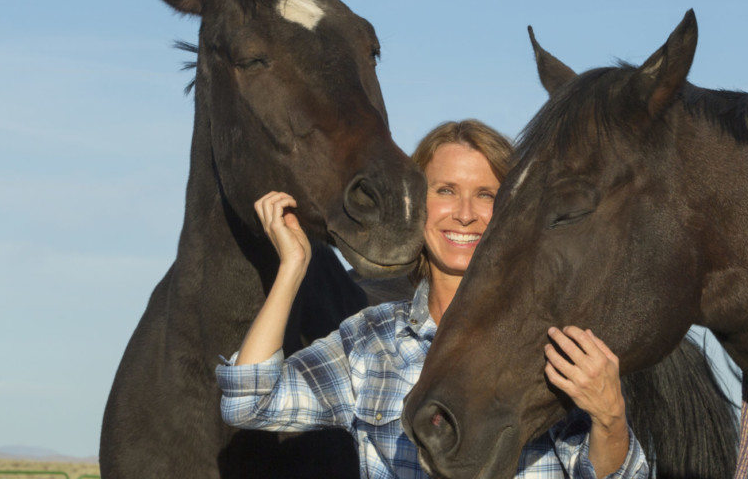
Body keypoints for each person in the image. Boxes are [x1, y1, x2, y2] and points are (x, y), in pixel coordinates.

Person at [218, 120, 649, 478]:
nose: (464, 213)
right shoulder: (372, 339)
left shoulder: (553, 344)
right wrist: (294, 265)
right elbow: (249, 401)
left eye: (486, 194)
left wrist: (610, 419)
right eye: (445, 190)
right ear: (416, 204)